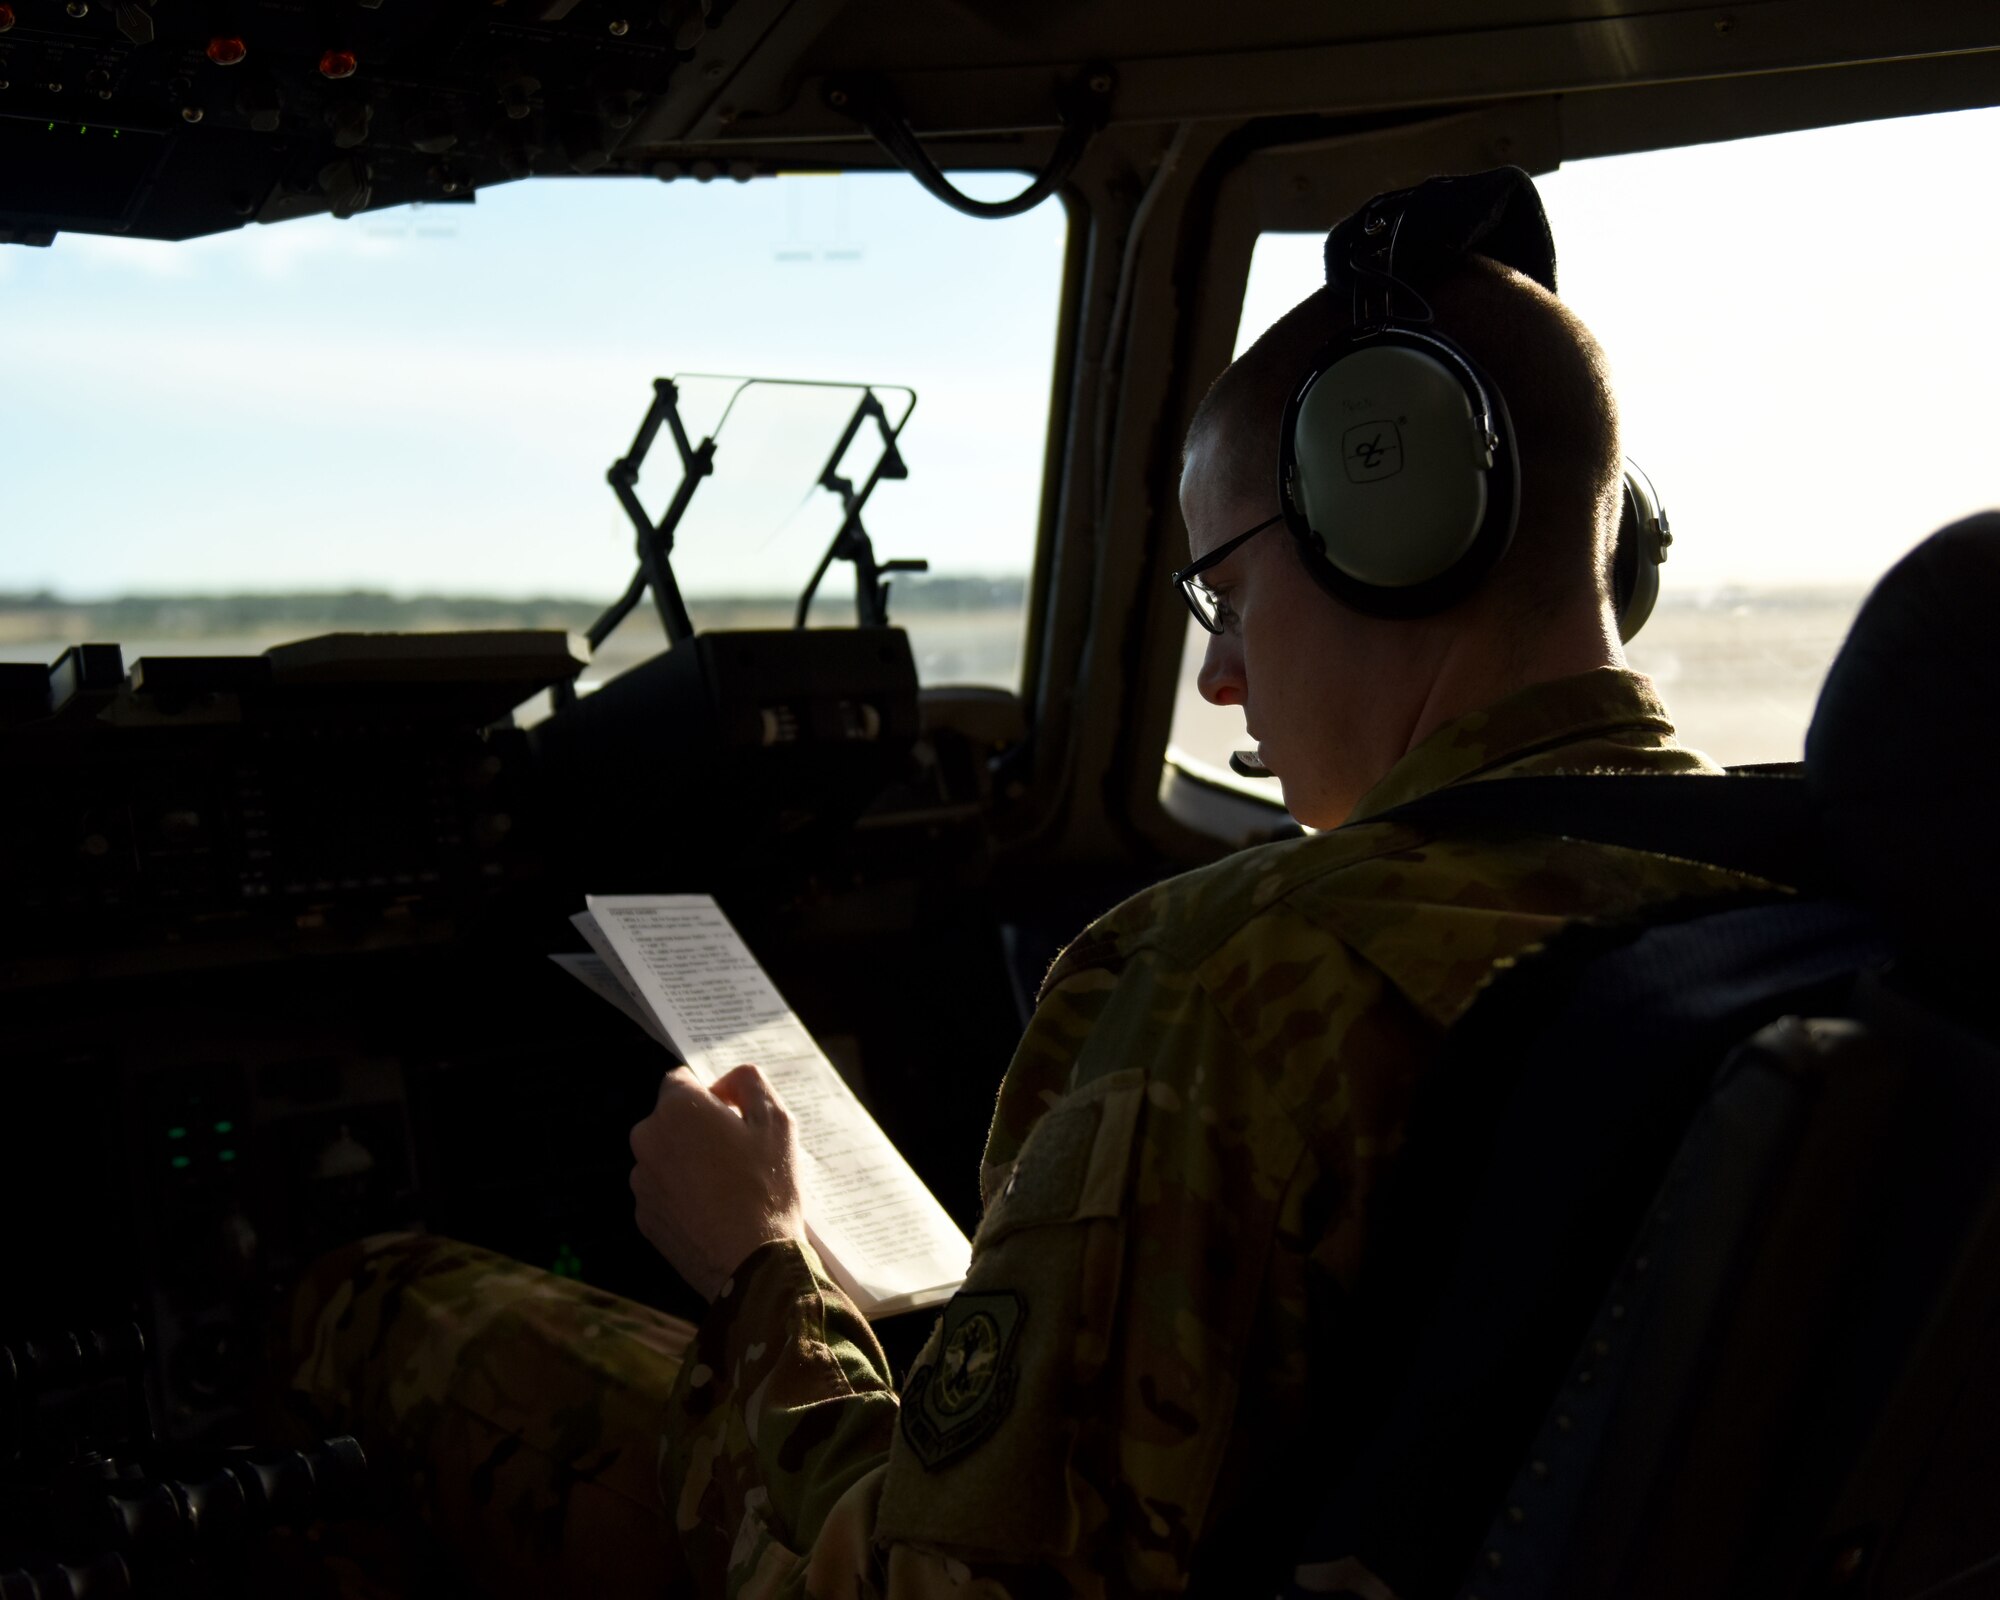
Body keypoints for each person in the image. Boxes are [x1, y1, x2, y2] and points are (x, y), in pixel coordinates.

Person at [287, 170, 1778, 1597]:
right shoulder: (1781, 905)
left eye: (1232, 590)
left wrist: (754, 1265)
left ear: (1385, 518)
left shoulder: (1242, 978)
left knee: (372, 1299)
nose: (1216, 675)